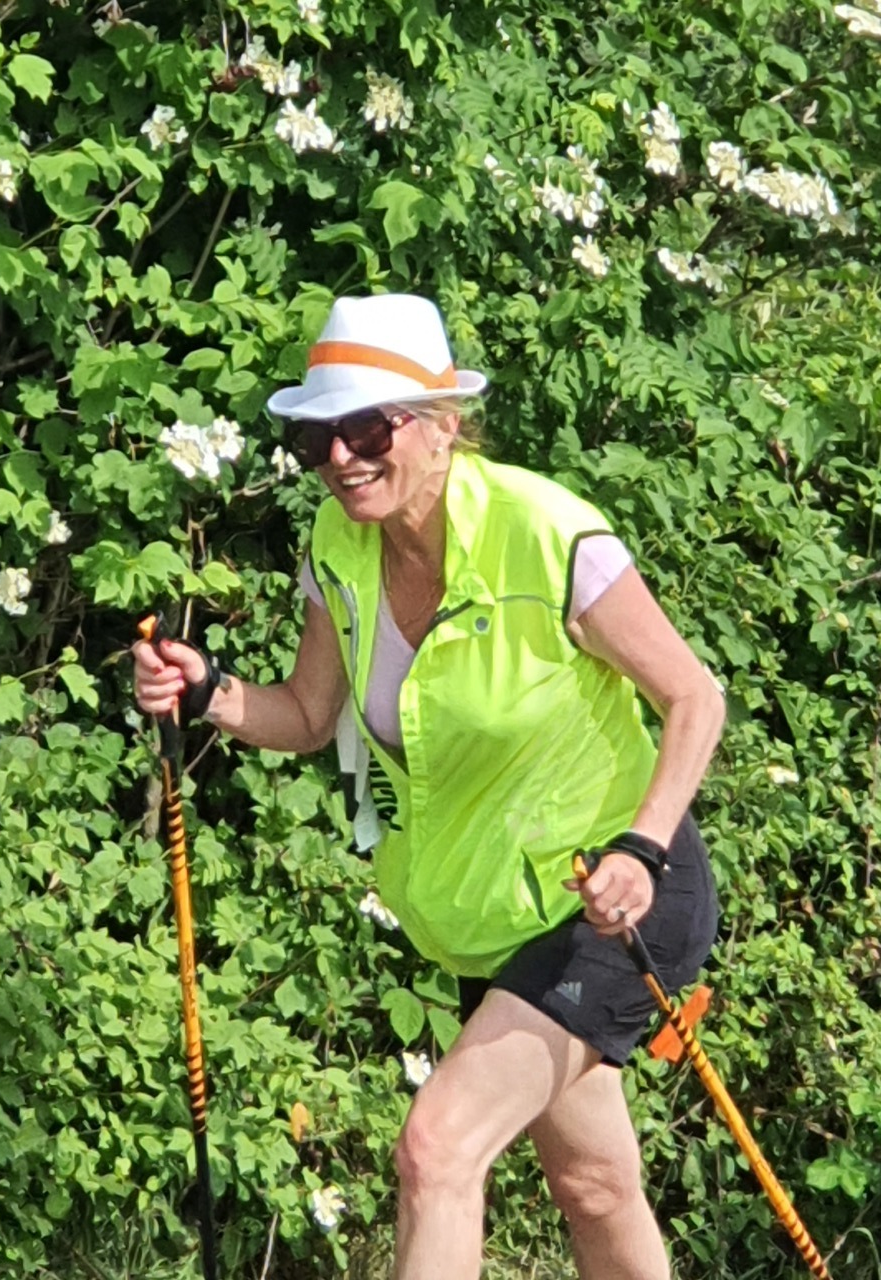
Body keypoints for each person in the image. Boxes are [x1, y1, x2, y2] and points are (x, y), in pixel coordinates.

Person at [133, 293, 725, 1280]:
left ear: (444, 424)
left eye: (369, 427)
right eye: (319, 435)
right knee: (594, 1185)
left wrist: (642, 847)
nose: (341, 456)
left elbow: (695, 695)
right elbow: (308, 714)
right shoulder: (340, 545)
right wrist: (209, 692)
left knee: (437, 1147)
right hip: (493, 914)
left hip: (619, 899)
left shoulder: (548, 533)